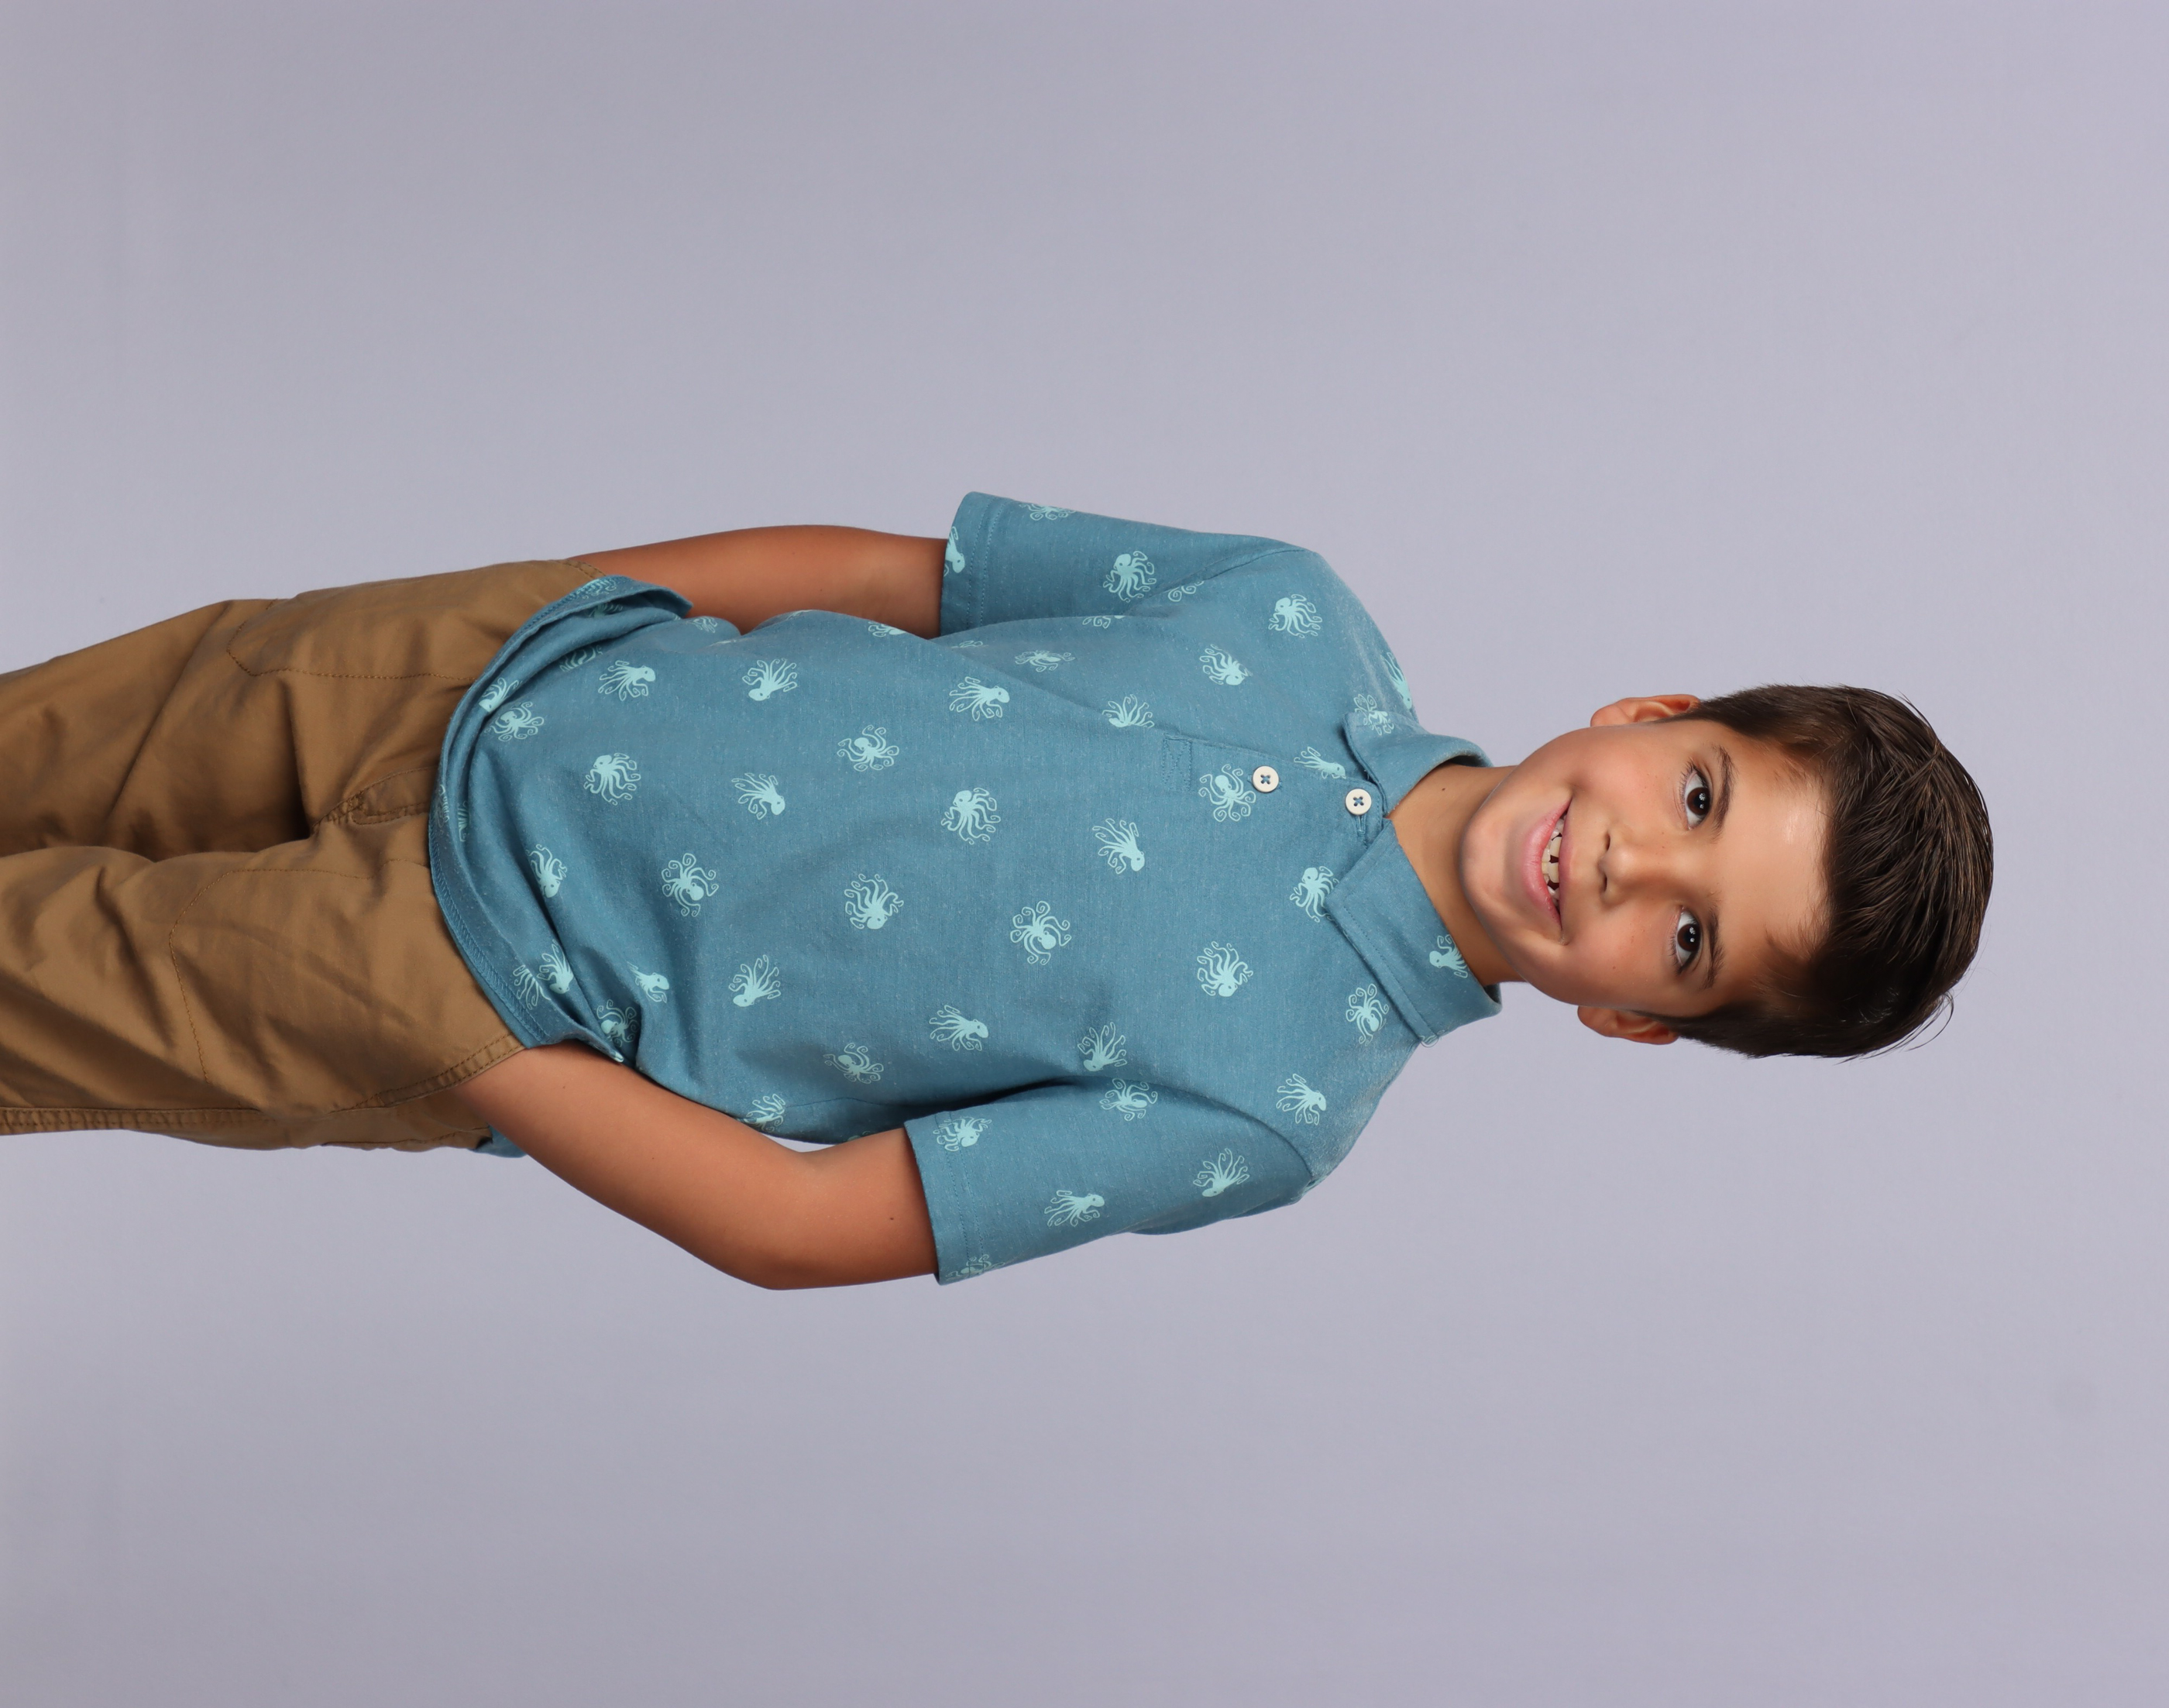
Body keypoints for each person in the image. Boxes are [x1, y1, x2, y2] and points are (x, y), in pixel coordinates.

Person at [0, 496, 1992, 1289]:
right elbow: (896, 577)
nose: (1632, 860)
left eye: (1686, 934)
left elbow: (800, 1223)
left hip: (478, 969)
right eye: (1696, 796)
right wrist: (587, 597)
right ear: (1649, 713)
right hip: (486, 667)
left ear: (1634, 1013)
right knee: (49, 738)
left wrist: (463, 1036)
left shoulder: (1273, 1104)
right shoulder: (1287, 609)